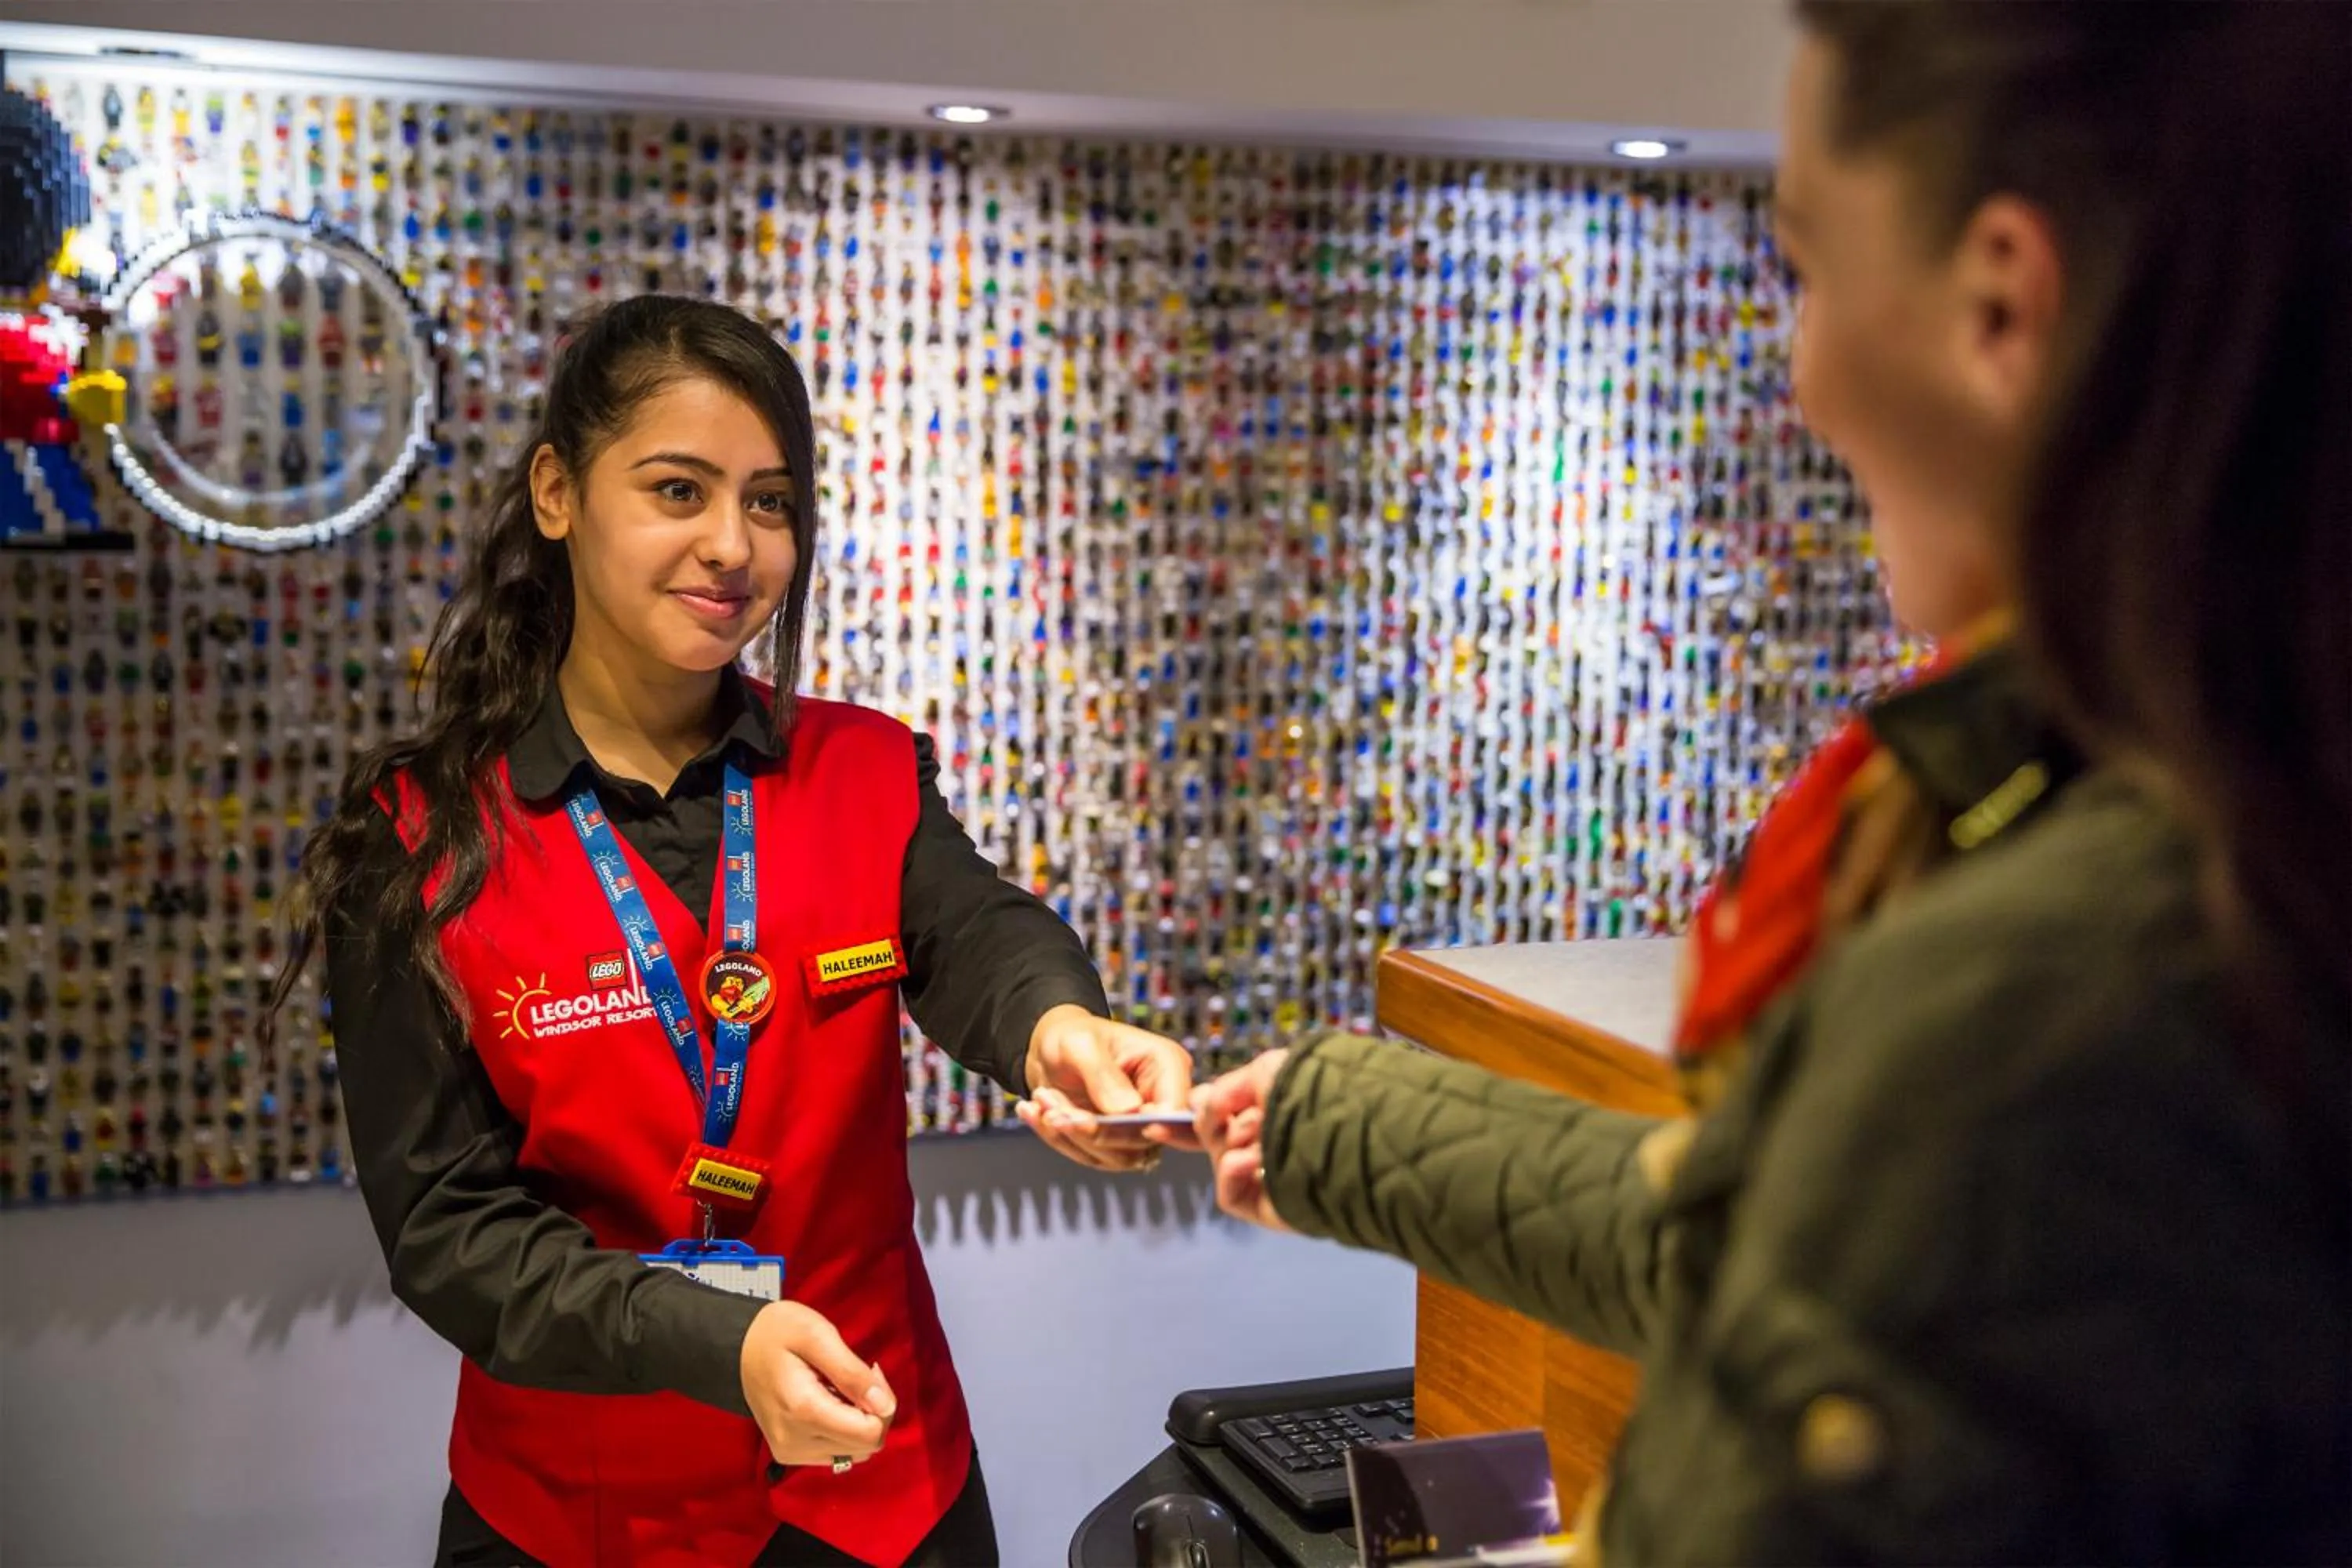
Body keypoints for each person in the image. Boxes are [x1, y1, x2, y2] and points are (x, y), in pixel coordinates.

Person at [1179, 5, 2350, 1562]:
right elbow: (1772, 1235)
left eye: (1805, 269)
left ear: (2003, 303)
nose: (1804, 381)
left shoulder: (2034, 999)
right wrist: (1327, 1122)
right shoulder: (2226, 812)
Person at [272, 295, 1192, 1567]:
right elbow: (447, 1233)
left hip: (880, 1487)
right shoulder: (422, 841)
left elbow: (978, 930)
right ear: (558, 492)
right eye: (678, 491)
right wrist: (719, 1341)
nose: (732, 547)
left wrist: (1063, 1029)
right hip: (579, 1513)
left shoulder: (865, 768)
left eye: (770, 502)